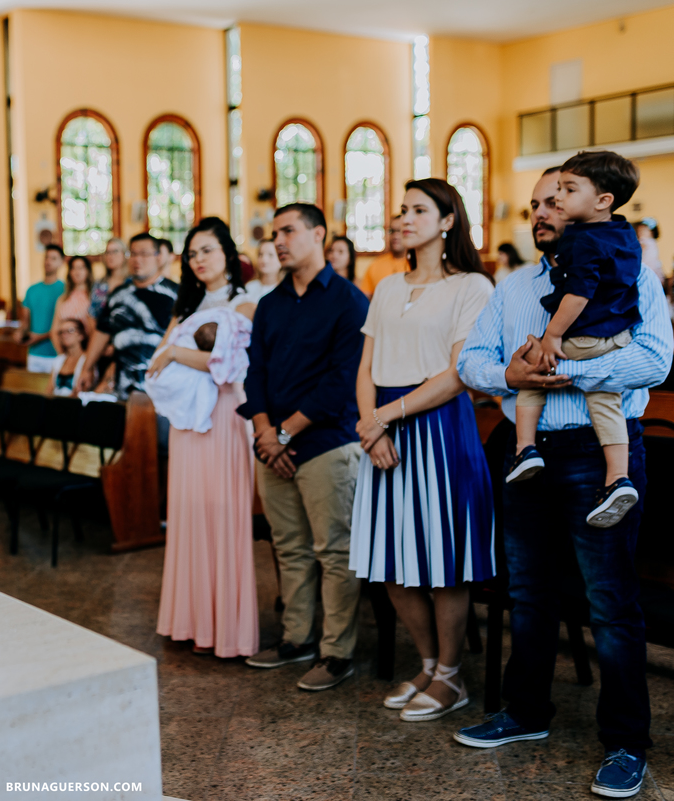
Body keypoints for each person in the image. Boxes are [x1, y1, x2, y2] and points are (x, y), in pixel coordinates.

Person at [454, 168, 672, 799]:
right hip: (529, 455)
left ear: (586, 206)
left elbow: (656, 358)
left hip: (599, 452)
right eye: (535, 205)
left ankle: (627, 742)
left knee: (609, 602)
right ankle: (525, 713)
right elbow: (472, 361)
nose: (542, 211)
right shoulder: (517, 285)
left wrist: (571, 373)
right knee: (528, 592)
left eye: (554, 200)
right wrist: (512, 372)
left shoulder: (632, 275)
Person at [349, 178, 496, 722]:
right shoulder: (387, 286)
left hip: (437, 428)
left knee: (441, 560)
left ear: (448, 220)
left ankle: (453, 677)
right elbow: (365, 367)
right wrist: (369, 422)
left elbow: (459, 373)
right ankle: (430, 664)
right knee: (391, 560)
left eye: (418, 209)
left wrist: (386, 416)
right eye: (402, 209)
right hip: (380, 425)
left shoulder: (471, 287)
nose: (405, 218)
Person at [238, 203, 369, 691]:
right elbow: (255, 373)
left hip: (326, 445)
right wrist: (263, 431)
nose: (278, 241)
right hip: (273, 443)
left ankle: (337, 652)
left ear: (318, 235)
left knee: (333, 551)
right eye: (275, 234)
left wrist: (284, 433)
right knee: (288, 548)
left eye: (288, 231)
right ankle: (297, 640)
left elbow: (341, 382)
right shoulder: (271, 304)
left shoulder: (349, 302)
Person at [507, 151, 643, 529]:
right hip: (615, 335)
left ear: (602, 200)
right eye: (543, 201)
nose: (558, 201)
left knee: (532, 368)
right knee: (605, 402)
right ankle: (618, 478)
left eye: (565, 191)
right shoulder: (623, 233)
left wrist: (551, 337)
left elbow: (579, 294)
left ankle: (524, 449)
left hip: (583, 338)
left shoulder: (583, 242)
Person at [151, 216, 258, 658]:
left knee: (223, 515)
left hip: (224, 417)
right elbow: (158, 359)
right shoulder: (185, 309)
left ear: (228, 254)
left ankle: (228, 629)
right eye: (192, 253)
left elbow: (227, 362)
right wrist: (174, 352)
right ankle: (192, 623)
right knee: (190, 516)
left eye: (207, 250)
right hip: (185, 422)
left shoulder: (246, 303)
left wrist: (179, 352)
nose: (198, 260)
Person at [77, 233, 179, 401]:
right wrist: (87, 368)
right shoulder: (118, 295)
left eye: (144, 254)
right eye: (133, 254)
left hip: (163, 388)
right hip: (123, 387)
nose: (138, 259)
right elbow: (102, 332)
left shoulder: (175, 293)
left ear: (158, 257)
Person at [15, 244, 66, 373]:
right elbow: (26, 322)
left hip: (57, 352)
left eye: (53, 258)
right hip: (34, 353)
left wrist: (40, 337)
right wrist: (20, 332)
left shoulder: (65, 290)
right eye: (46, 257)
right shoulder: (31, 290)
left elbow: (65, 324)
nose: (48, 261)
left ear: (61, 262)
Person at [48, 255, 94, 354]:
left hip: (87, 352)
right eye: (73, 268)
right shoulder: (63, 299)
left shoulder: (93, 298)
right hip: (66, 352)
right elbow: (54, 331)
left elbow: (94, 332)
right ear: (69, 272)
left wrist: (88, 356)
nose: (77, 272)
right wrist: (61, 355)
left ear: (88, 271)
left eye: (81, 268)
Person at [358, 215, 408, 296]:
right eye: (392, 231)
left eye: (400, 231)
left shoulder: (417, 264)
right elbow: (365, 298)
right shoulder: (376, 265)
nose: (395, 236)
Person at [89, 237, 129, 321]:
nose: (111, 256)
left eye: (115, 251)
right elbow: (92, 314)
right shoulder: (99, 283)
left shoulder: (131, 282)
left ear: (124, 254)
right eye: (107, 252)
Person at [48, 318, 88, 397]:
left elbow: (83, 391)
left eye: (70, 330)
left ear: (81, 335)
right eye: (62, 332)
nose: (65, 335)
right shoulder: (58, 360)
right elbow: (49, 390)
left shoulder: (87, 360)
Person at [244, 237, 282, 302]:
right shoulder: (249, 287)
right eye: (260, 254)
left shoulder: (285, 290)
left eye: (270, 255)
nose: (264, 260)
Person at [633, 218, 665, 283]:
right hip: (652, 272)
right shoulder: (652, 242)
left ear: (651, 232)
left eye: (643, 230)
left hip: (647, 272)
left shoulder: (644, 242)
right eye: (639, 230)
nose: (640, 232)